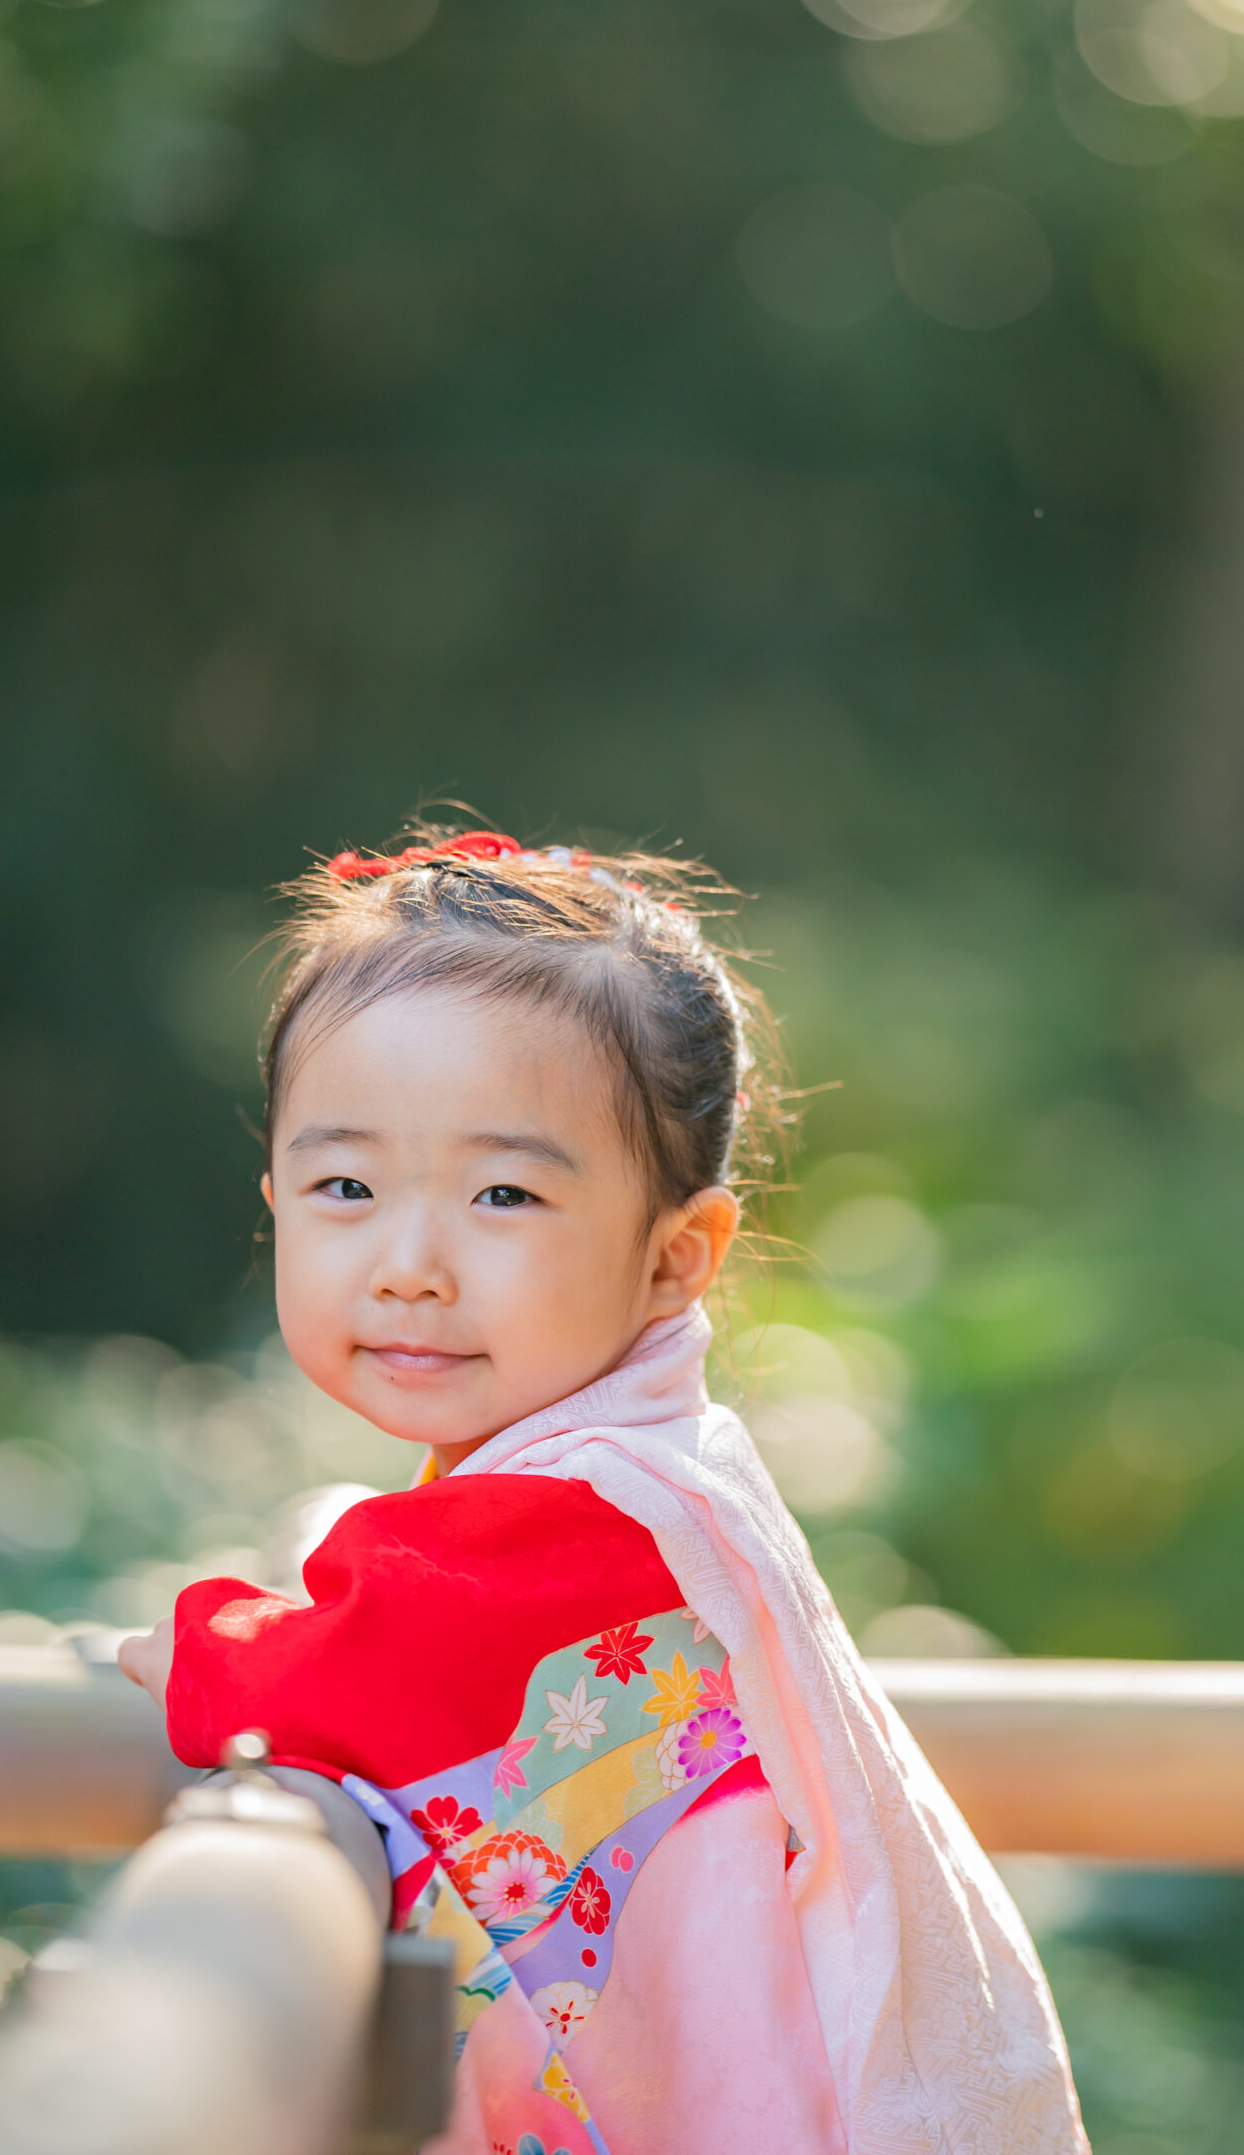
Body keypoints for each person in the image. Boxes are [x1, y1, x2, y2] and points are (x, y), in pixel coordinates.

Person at [118, 825, 1087, 2155]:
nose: (409, 1261)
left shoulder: (606, 1505)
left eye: (504, 1194)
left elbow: (343, 1670)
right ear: (274, 1192)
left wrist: (185, 1641)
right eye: (345, 1184)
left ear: (675, 1257)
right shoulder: (629, 1474)